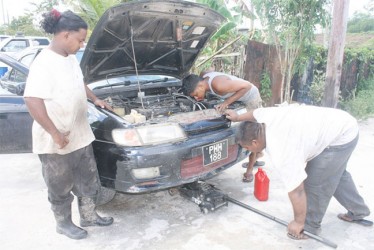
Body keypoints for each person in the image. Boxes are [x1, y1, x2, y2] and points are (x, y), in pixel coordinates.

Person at [23, 9, 114, 240]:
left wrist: (95, 99)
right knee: (60, 185)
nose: (82, 44)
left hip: (80, 134)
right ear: (65, 35)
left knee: (88, 179)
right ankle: (63, 224)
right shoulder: (43, 63)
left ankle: (89, 216)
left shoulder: (70, 58)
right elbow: (32, 100)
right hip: (56, 139)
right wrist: (55, 134)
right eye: (80, 39)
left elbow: (79, 83)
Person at [225, 105, 372, 239]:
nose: (248, 151)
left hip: (341, 135)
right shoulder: (266, 117)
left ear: (255, 143)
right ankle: (358, 210)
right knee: (335, 174)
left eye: (247, 148)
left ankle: (308, 228)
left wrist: (298, 221)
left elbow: (298, 190)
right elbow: (255, 114)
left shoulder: (281, 150)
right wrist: (237, 117)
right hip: (340, 121)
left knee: (316, 183)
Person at [182, 72, 264, 183]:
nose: (196, 98)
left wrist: (227, 102)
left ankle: (249, 170)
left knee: (251, 135)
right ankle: (257, 155)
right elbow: (208, 70)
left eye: (196, 94)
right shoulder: (204, 77)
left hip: (250, 97)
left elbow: (247, 86)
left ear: (201, 86)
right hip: (240, 97)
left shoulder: (219, 86)